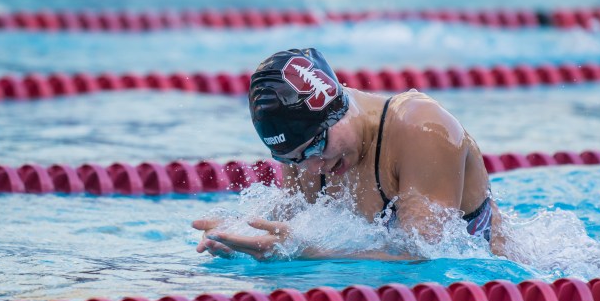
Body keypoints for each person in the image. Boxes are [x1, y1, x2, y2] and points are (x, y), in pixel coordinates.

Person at [193, 47, 503, 260]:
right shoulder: (308, 155)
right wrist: (237, 237)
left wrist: (312, 253)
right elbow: (288, 233)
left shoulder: (422, 128)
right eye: (294, 159)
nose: (314, 167)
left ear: (336, 110)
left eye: (317, 146)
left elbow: (425, 257)